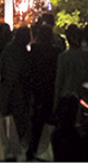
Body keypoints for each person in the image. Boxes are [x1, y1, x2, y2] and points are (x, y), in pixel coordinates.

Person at [27, 21, 60, 162]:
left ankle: (33, 148)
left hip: (36, 87)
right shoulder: (56, 51)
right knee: (48, 118)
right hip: (50, 88)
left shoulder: (34, 49)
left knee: (35, 119)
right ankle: (45, 150)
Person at [0, 25, 32, 146]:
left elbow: (1, 69)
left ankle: (9, 149)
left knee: (8, 121)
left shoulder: (8, 50)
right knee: (18, 122)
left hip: (8, 90)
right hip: (21, 92)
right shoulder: (26, 54)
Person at [53, 23, 88, 109]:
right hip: (84, 97)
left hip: (67, 96)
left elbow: (59, 80)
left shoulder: (63, 57)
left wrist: (55, 103)